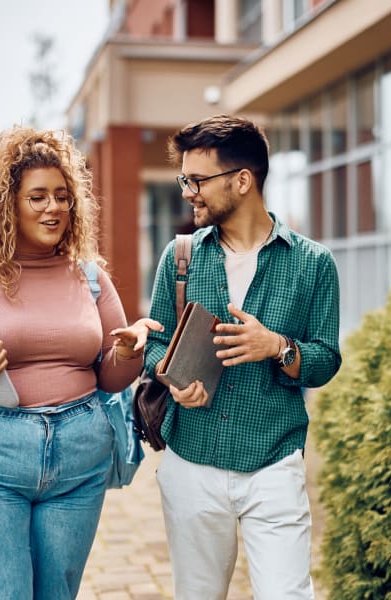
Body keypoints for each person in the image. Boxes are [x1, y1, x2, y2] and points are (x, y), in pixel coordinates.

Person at [0, 125, 161, 600]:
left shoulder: (90, 277)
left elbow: (109, 376)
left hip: (79, 457)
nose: (54, 207)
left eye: (62, 196)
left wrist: (126, 354)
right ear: (8, 204)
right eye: (37, 197)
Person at [145, 114, 341, 599]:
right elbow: (155, 344)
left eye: (198, 180)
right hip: (192, 461)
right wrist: (171, 380)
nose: (188, 190)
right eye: (184, 179)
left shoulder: (313, 263)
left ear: (242, 180)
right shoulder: (181, 256)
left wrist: (277, 347)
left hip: (274, 463)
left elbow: (325, 360)